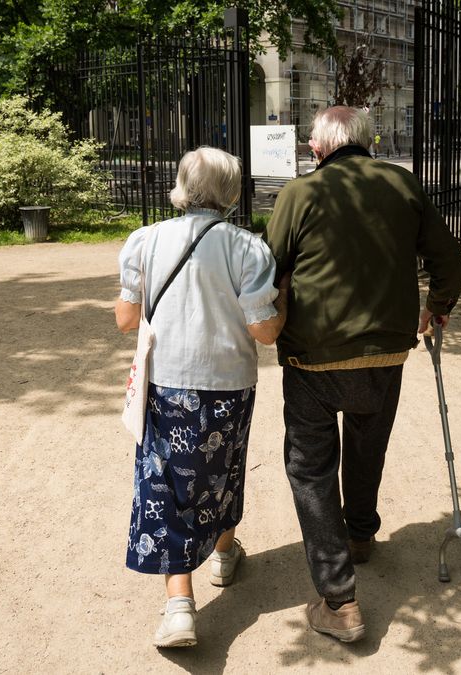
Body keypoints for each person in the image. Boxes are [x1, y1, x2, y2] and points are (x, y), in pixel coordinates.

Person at [265, 107, 461, 643]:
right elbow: (449, 259)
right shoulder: (403, 184)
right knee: (367, 443)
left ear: (324, 146)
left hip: (313, 353)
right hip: (385, 351)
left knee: (310, 467)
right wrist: (437, 303)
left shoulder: (299, 194)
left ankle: (339, 600)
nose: (309, 147)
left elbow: (270, 267)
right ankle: (359, 534)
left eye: (311, 141)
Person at [115, 147, 287, 648]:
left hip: (167, 381)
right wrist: (284, 307)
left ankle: (179, 608)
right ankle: (224, 555)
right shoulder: (247, 248)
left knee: (165, 484)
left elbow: (126, 320)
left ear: (181, 186)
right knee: (225, 469)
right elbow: (265, 332)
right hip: (229, 382)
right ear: (232, 194)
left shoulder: (145, 241)